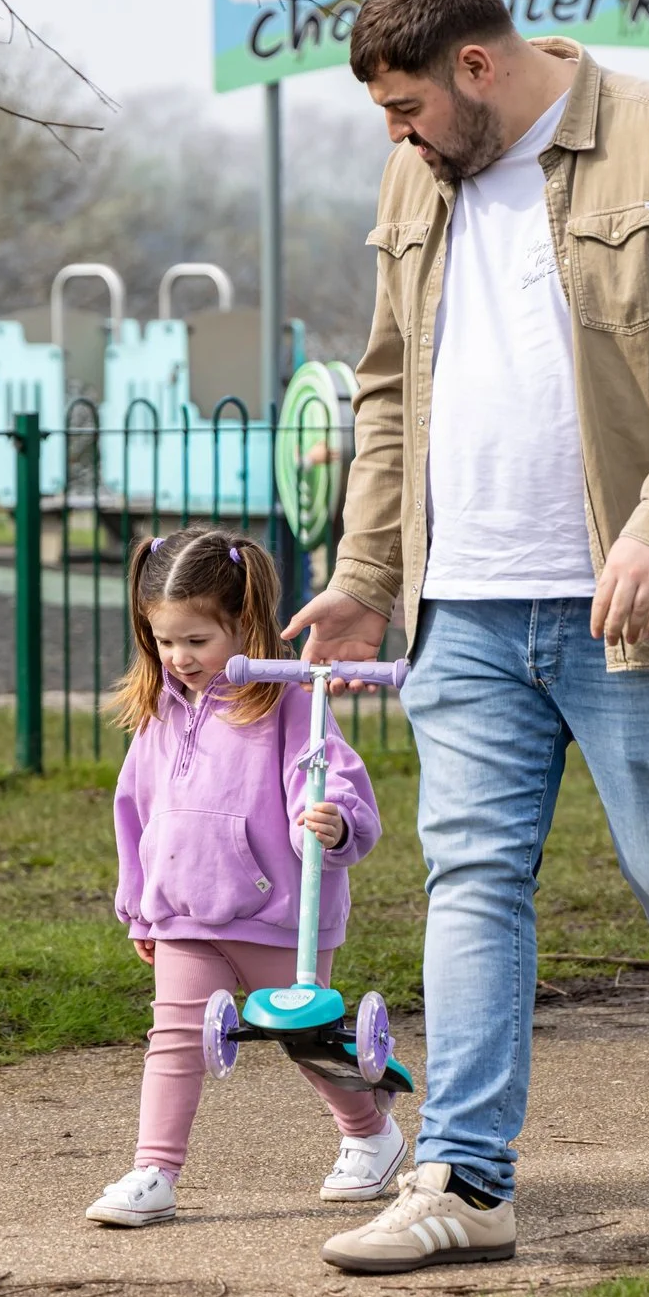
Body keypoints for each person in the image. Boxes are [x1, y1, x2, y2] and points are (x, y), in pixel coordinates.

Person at [284, 0, 649, 1274]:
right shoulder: (422, 174)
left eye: (407, 106)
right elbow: (391, 387)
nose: (396, 137)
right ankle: (466, 1178)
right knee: (471, 877)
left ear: (479, 67)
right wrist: (364, 574)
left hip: (629, 593)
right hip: (461, 601)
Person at [85, 526, 405, 1228]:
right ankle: (155, 1169)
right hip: (185, 914)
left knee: (306, 1036)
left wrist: (333, 823)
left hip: (278, 912)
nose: (180, 657)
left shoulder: (287, 701)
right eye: (165, 640)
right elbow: (136, 811)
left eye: (197, 640)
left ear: (244, 623)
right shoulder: (160, 710)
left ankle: (369, 1132)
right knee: (172, 1037)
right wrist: (141, 905)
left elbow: (328, 780)